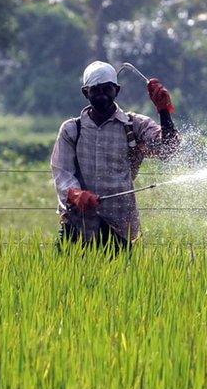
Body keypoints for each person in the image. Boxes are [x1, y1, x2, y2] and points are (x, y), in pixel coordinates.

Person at [51, 61, 181, 249]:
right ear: (85, 92)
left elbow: (168, 149)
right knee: (65, 276)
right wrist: (76, 194)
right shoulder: (72, 129)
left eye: (107, 89)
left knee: (119, 277)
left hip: (120, 227)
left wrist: (163, 111)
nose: (102, 95)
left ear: (117, 90)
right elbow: (61, 172)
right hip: (78, 224)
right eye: (95, 90)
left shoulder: (134, 125)